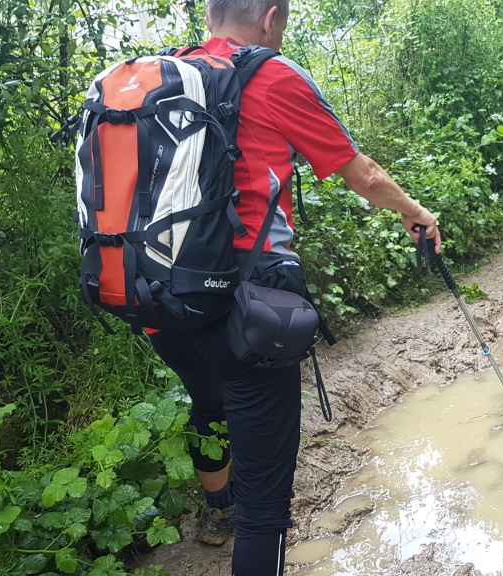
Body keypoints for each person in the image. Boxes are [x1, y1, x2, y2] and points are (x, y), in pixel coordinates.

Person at [146, 1, 441, 574]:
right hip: (251, 307)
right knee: (267, 509)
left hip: (160, 293)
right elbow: (365, 175)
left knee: (207, 401)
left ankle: (215, 511)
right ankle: (243, 516)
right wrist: (415, 212)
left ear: (209, 16)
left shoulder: (163, 72)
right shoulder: (270, 74)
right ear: (271, 16)